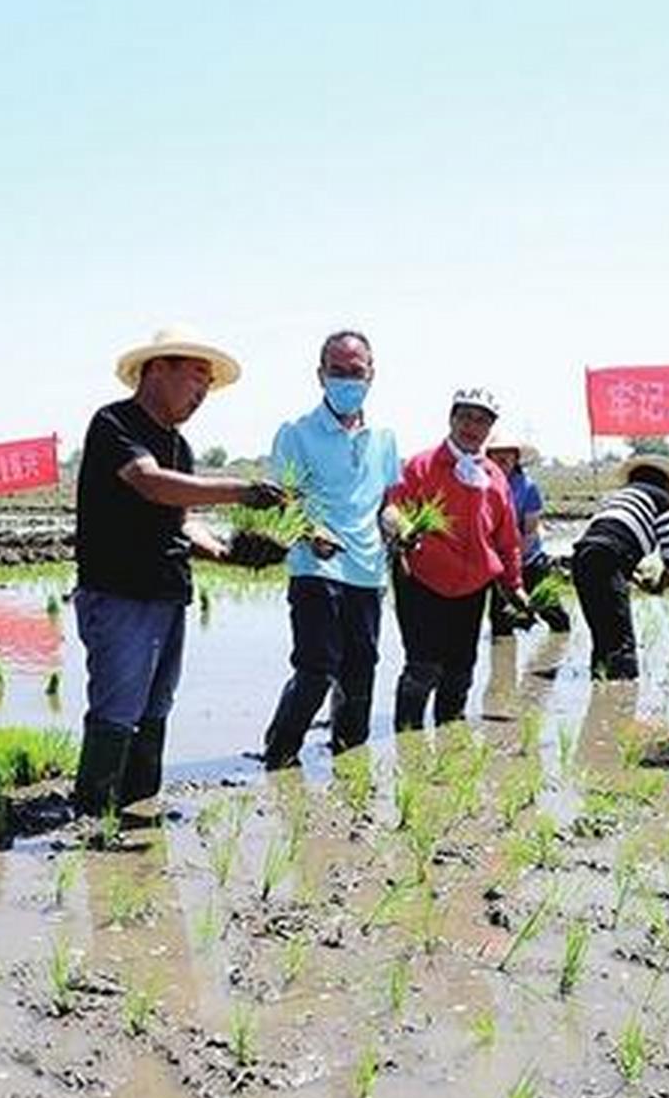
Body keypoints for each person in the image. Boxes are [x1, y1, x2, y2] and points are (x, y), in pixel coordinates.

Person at [72, 326, 284, 817]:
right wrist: (241, 491)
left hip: (169, 597)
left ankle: (139, 808)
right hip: (121, 594)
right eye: (196, 378)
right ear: (156, 369)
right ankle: (92, 818)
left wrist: (232, 553)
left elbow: (182, 525)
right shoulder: (114, 423)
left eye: (208, 385)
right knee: (117, 710)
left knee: (155, 710)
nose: (202, 394)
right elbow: (149, 484)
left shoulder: (180, 448)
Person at [260, 331, 401, 769]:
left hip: (368, 571)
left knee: (360, 672)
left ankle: (349, 760)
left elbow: (386, 502)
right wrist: (311, 529)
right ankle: (280, 755)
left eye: (355, 372)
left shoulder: (384, 437)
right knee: (317, 669)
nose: (346, 380)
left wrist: (398, 523)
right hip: (315, 568)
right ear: (321, 375)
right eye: (337, 372)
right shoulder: (296, 433)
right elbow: (285, 500)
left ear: (371, 374)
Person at [387, 388, 527, 729]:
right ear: (451, 419)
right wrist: (401, 527)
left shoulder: (495, 477)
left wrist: (516, 586)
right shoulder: (421, 465)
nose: (471, 426)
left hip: (473, 586)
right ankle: (409, 741)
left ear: (490, 429)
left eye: (481, 420)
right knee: (423, 668)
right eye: (465, 416)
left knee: (460, 670)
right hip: (421, 580)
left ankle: (451, 742)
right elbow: (392, 509)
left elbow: (506, 539)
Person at [570, 454, 669, 680]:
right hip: (607, 558)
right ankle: (621, 698)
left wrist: (635, 578)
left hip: (581, 558)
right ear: (667, 484)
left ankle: (599, 689)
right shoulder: (661, 499)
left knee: (601, 632)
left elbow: (602, 541)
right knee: (621, 642)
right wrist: (667, 575)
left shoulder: (617, 498)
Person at [484, 434, 570, 635]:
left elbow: (530, 531)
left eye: (508, 454)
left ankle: (556, 655)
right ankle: (504, 664)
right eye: (497, 454)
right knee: (500, 620)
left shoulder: (527, 487)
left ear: (516, 458)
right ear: (489, 457)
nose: (503, 458)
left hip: (528, 558)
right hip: (497, 564)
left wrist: (513, 562)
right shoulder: (483, 485)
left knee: (554, 615)